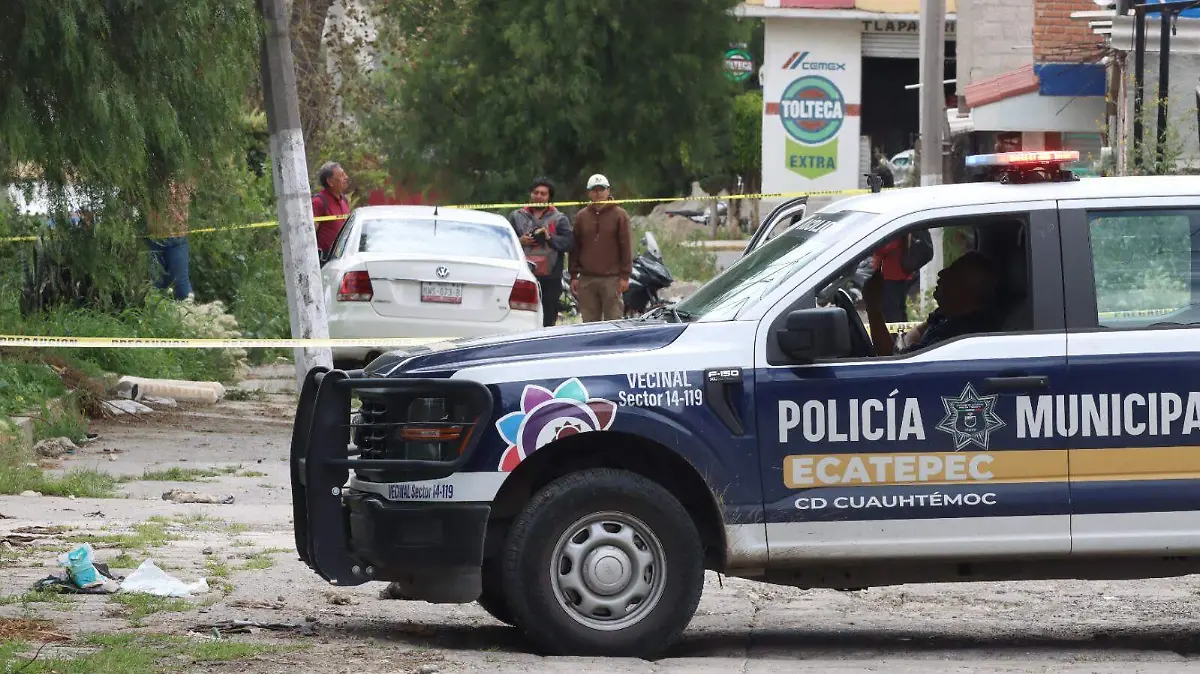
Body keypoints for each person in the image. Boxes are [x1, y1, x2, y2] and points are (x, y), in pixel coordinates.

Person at [864, 250, 1000, 357]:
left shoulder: (957, 336)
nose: (941, 273)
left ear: (969, 292)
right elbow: (917, 332)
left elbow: (894, 364)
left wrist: (873, 309)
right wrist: (904, 347)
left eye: (953, 272)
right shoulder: (947, 313)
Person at [508, 177, 573, 327]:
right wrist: (520, 241)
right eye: (535, 192)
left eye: (543, 194)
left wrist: (549, 238)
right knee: (520, 317)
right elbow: (504, 243)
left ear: (549, 197)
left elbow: (568, 243)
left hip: (551, 278)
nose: (538, 196)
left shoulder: (559, 219)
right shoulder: (516, 216)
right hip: (522, 277)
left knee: (548, 319)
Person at [569, 174, 632, 323]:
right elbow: (575, 247)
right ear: (589, 193)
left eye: (601, 189)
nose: (598, 193)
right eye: (594, 190)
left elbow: (626, 246)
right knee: (589, 323)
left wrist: (625, 276)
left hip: (612, 278)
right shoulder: (581, 216)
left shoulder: (620, 215)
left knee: (613, 321)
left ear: (608, 191)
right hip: (587, 279)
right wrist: (573, 275)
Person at [146, 177, 195, 301]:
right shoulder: (151, 174)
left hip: (178, 237)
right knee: (155, 286)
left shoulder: (183, 175)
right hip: (153, 238)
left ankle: (187, 312)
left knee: (181, 286)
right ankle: (156, 311)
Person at [871, 234, 916, 323]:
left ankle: (896, 330)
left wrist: (877, 246)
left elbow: (888, 247)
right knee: (898, 308)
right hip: (897, 274)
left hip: (893, 276)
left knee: (892, 309)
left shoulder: (896, 234)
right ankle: (901, 329)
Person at [312, 161, 350, 256]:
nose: (346, 177)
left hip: (343, 257)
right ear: (330, 181)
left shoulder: (344, 200)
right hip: (326, 259)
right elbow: (309, 235)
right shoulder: (318, 202)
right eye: (342, 176)